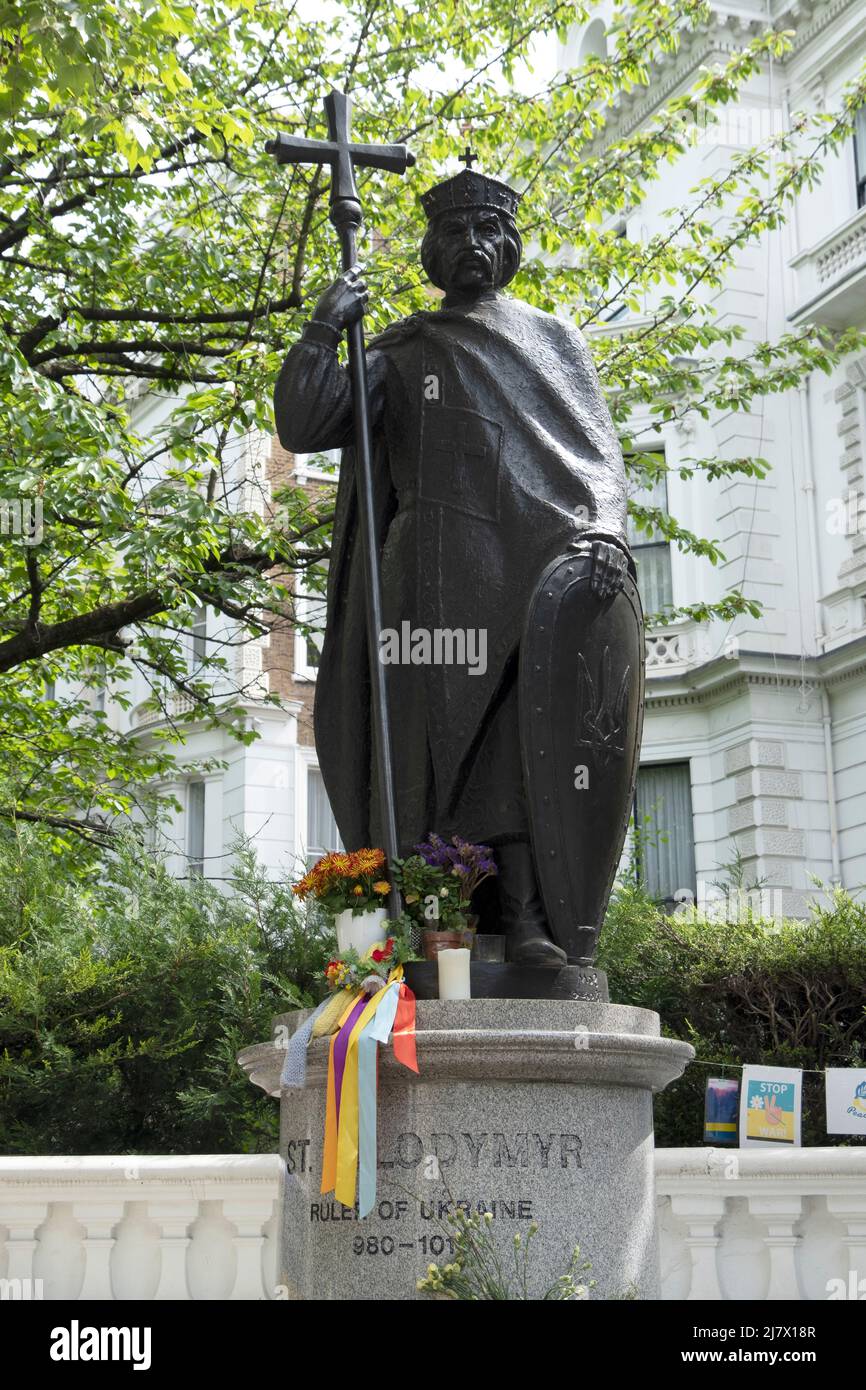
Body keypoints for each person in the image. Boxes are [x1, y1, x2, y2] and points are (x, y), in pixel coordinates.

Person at [274, 166, 635, 967]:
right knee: (435, 759)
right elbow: (305, 424)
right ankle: (438, 926)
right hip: (429, 588)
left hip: (535, 577)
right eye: (455, 234)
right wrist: (322, 328)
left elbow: (601, 461)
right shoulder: (405, 347)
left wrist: (605, 532)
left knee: (520, 746)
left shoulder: (555, 341)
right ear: (434, 253)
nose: (473, 245)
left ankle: (533, 916)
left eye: (487, 231)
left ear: (509, 246)